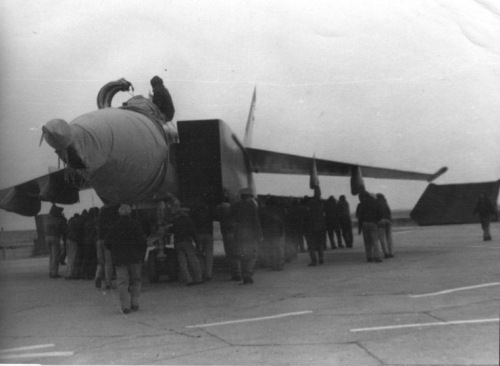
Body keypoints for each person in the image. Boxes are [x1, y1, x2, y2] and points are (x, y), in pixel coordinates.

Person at [105, 204, 147, 314]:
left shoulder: (114, 226)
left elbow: (107, 243)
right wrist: (141, 253)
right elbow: (143, 241)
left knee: (122, 282)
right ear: (130, 213)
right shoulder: (136, 224)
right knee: (136, 280)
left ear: (119, 213)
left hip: (120, 259)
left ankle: (125, 306)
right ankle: (135, 303)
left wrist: (115, 251)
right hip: (135, 258)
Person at [231, 188, 263, 285]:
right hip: (250, 234)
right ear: (249, 196)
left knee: (242, 255)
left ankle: (244, 274)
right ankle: (247, 272)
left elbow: (231, 219)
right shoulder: (251, 205)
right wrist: (260, 235)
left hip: (239, 234)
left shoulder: (236, 205)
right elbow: (256, 221)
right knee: (253, 255)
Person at [171, 205, 204, 286]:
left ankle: (188, 280)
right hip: (187, 242)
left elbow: (172, 230)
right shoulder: (188, 220)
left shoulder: (175, 221)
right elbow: (194, 232)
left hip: (178, 243)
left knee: (182, 262)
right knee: (193, 260)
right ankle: (198, 279)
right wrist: (198, 243)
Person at [214, 196, 241, 281]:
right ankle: (239, 272)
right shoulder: (233, 207)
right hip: (235, 232)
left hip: (227, 232)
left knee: (230, 254)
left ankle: (236, 273)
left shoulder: (221, 207)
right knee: (236, 253)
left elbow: (216, 216)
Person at [95, 203, 120, 289]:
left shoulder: (98, 219)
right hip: (107, 241)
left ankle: (97, 276)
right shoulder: (110, 219)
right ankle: (108, 283)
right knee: (108, 262)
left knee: (101, 262)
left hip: (98, 241)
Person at [190, 200, 214, 282]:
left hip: (199, 235)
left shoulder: (194, 213)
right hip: (208, 234)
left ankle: (201, 272)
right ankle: (208, 274)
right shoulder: (209, 212)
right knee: (209, 255)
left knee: (200, 255)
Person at [259, 196, 286, 271]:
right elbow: (281, 222)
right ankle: (279, 264)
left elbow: (262, 222)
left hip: (267, 232)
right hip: (277, 232)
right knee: (278, 248)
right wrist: (282, 231)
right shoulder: (278, 210)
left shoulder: (264, 211)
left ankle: (273, 265)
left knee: (271, 249)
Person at [356, 191, 383, 263]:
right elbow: (380, 213)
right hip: (373, 223)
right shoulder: (375, 202)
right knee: (375, 241)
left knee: (367, 242)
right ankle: (377, 257)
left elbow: (359, 216)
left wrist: (359, 228)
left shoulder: (361, 204)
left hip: (364, 224)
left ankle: (369, 257)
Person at [304, 187, 326, 267]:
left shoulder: (309, 204)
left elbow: (306, 216)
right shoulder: (321, 204)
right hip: (320, 227)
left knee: (311, 246)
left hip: (311, 227)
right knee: (319, 244)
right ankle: (321, 258)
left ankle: (314, 261)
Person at [45, 204, 68, 278]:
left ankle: (51, 271)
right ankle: (54, 273)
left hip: (47, 237)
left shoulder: (48, 218)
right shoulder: (59, 219)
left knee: (51, 255)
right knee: (56, 256)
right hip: (55, 237)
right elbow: (64, 230)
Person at [65, 213, 85, 279]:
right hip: (74, 240)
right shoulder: (79, 221)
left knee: (69, 257)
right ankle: (71, 274)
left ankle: (67, 273)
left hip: (68, 239)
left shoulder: (70, 221)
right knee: (73, 257)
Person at [377, 193, 394, 258]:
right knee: (389, 237)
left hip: (381, 222)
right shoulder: (385, 203)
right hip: (388, 221)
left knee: (382, 238)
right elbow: (389, 212)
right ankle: (391, 252)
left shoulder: (376, 203)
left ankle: (386, 253)